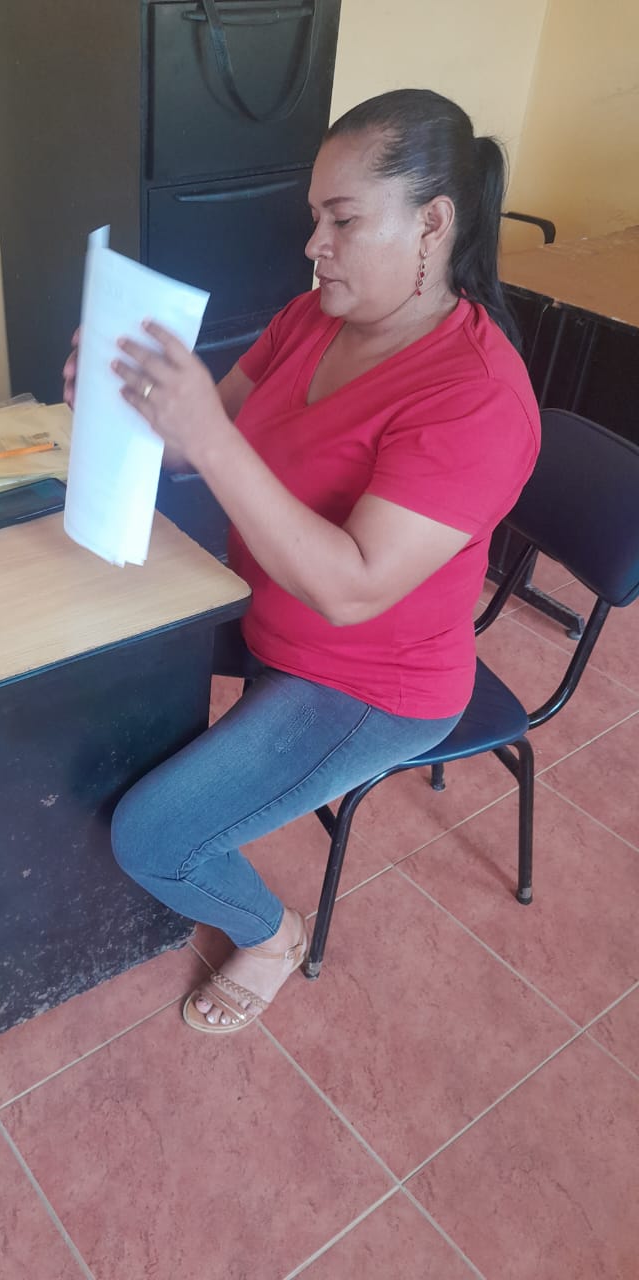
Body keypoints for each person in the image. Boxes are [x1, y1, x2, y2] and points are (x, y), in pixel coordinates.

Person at [62, 88, 540, 1035]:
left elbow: (351, 589)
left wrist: (206, 432)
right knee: (87, 647)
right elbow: (201, 448)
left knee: (150, 838)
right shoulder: (312, 318)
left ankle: (271, 935)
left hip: (369, 682)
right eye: (315, 217)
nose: (314, 245)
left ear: (433, 223)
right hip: (261, 604)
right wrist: (127, 401)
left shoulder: (477, 398)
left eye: (343, 220)